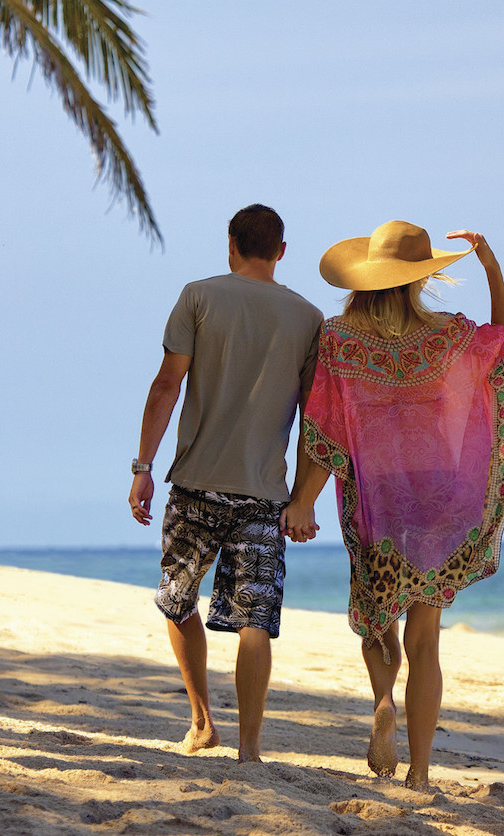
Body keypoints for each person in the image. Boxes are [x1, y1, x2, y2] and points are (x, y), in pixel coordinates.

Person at [281, 220, 504, 788]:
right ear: (418, 279)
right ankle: (419, 773)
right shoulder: (450, 336)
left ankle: (384, 699)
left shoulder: (339, 337)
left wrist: (302, 501)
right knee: (426, 637)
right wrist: (491, 266)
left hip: (375, 492)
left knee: (375, 611)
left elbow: (325, 428)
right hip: (441, 496)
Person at [128, 204, 324, 763]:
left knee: (178, 599)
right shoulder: (309, 319)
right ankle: (250, 751)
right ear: (282, 252)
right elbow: (317, 420)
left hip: (194, 483)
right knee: (254, 619)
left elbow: (167, 385)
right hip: (265, 495)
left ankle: (202, 721)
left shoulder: (198, 296)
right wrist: (304, 499)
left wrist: (143, 467)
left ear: (231, 244)